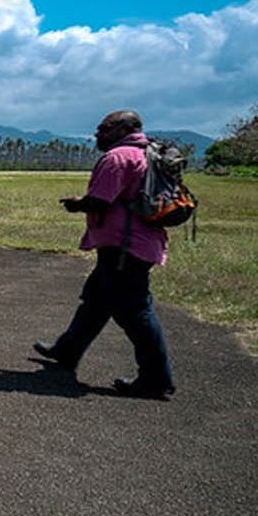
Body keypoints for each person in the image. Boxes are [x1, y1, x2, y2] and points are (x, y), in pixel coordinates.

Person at [33, 110, 176, 399]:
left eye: (104, 128)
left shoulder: (118, 157)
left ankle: (156, 379)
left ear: (124, 128)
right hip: (139, 242)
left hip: (124, 246)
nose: (98, 133)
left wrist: (76, 204)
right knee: (96, 300)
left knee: (135, 311)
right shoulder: (148, 153)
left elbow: (100, 200)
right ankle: (67, 351)